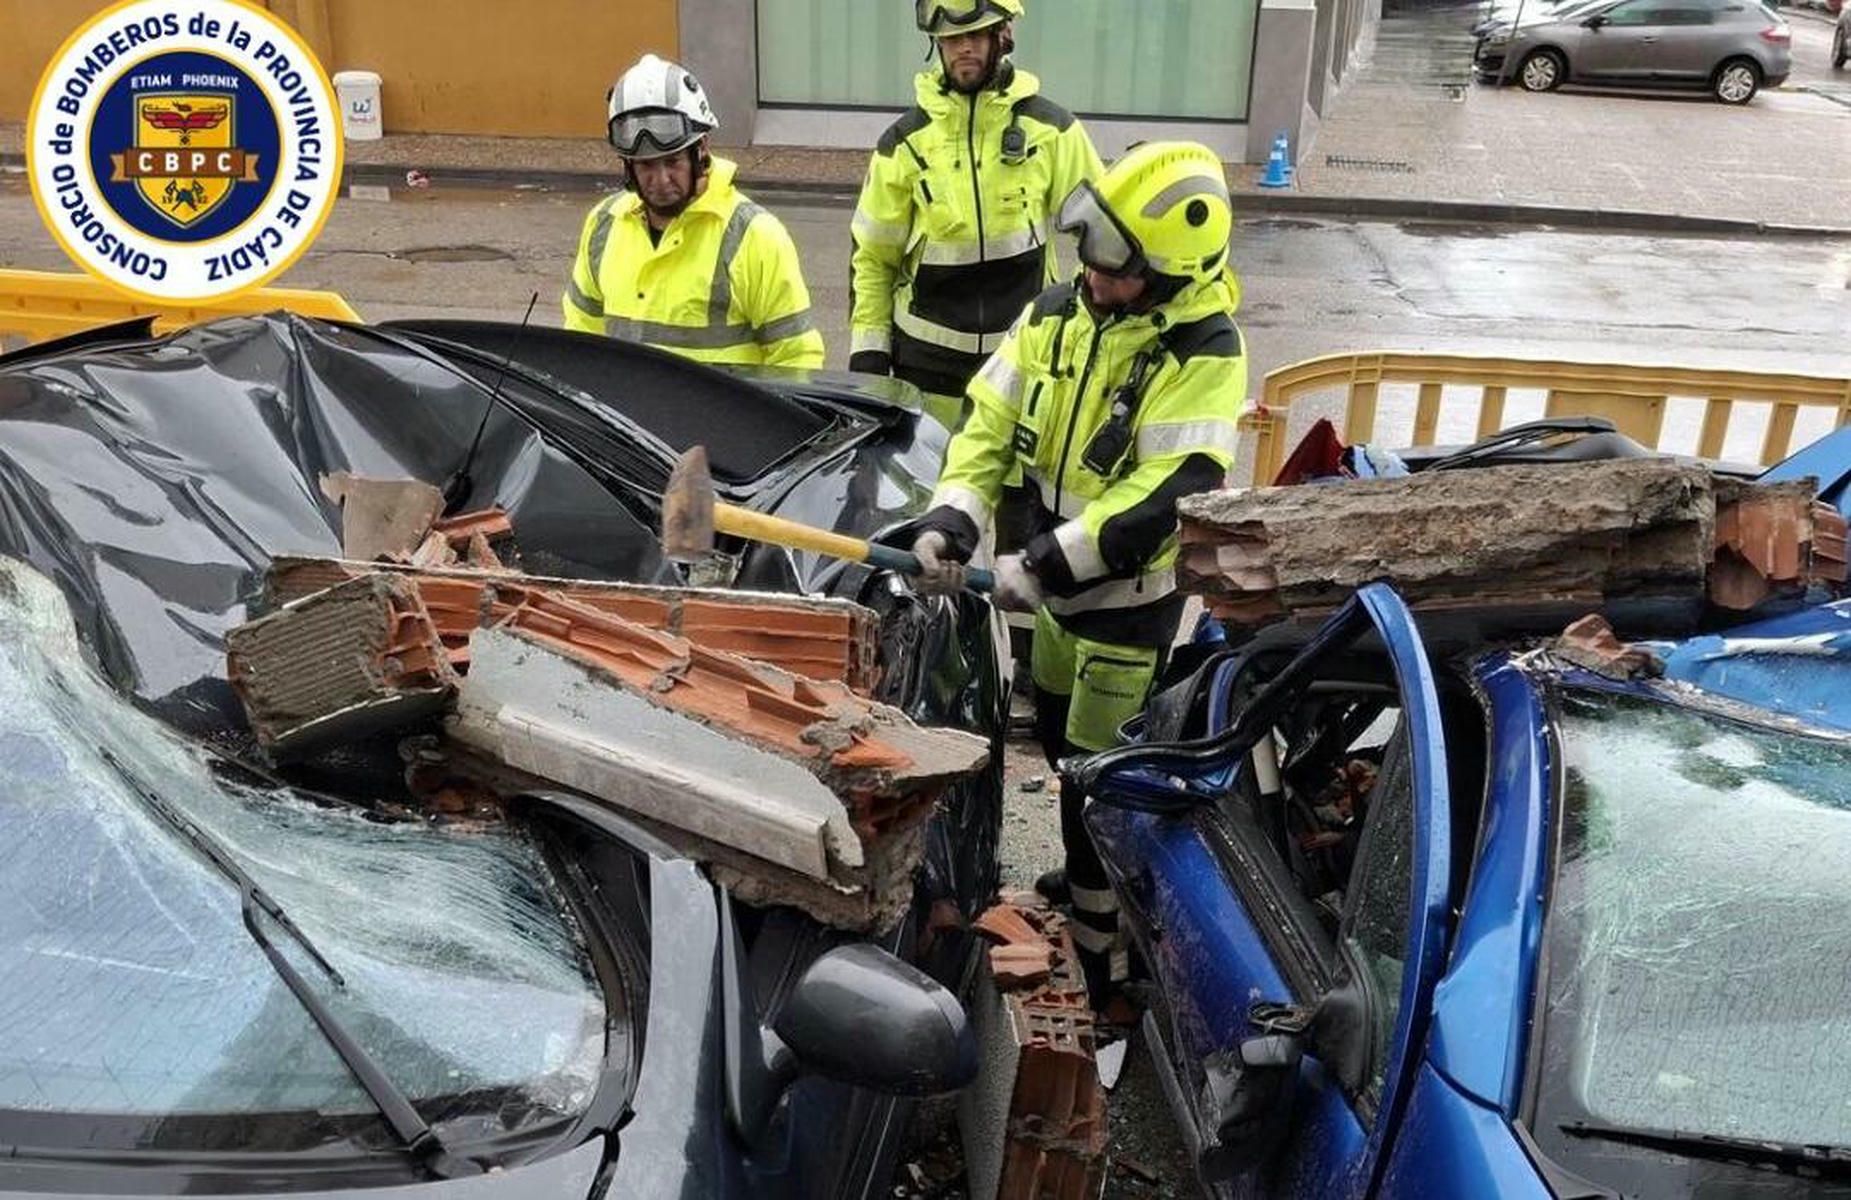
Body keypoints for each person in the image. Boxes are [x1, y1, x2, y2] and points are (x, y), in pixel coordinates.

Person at [908, 141, 1247, 1000]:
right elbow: (989, 418)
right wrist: (956, 512)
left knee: (1100, 788)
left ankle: (1108, 957)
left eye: (1114, 268)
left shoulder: (1202, 350)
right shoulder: (1059, 314)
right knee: (1062, 753)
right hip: (1053, 598)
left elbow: (1171, 490)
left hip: (1123, 613)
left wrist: (1054, 559)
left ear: (1171, 269)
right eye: (1089, 258)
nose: (1092, 279)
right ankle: (1082, 885)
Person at [848, 0, 1103, 429]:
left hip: (1023, 360)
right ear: (937, 44)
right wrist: (869, 356)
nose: (963, 48)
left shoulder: (1052, 131)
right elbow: (873, 260)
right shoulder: (903, 144)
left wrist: (1089, 328)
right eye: (951, 39)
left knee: (1018, 493)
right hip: (927, 372)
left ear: (1002, 36)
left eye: (974, 35)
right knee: (929, 491)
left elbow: (1102, 235)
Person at [564, 54, 824, 369]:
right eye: (646, 165)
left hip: (723, 419)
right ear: (627, 165)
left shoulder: (754, 237)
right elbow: (580, 347)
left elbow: (797, 359)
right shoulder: (603, 226)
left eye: (672, 162)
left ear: (701, 150)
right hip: (622, 419)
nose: (660, 180)